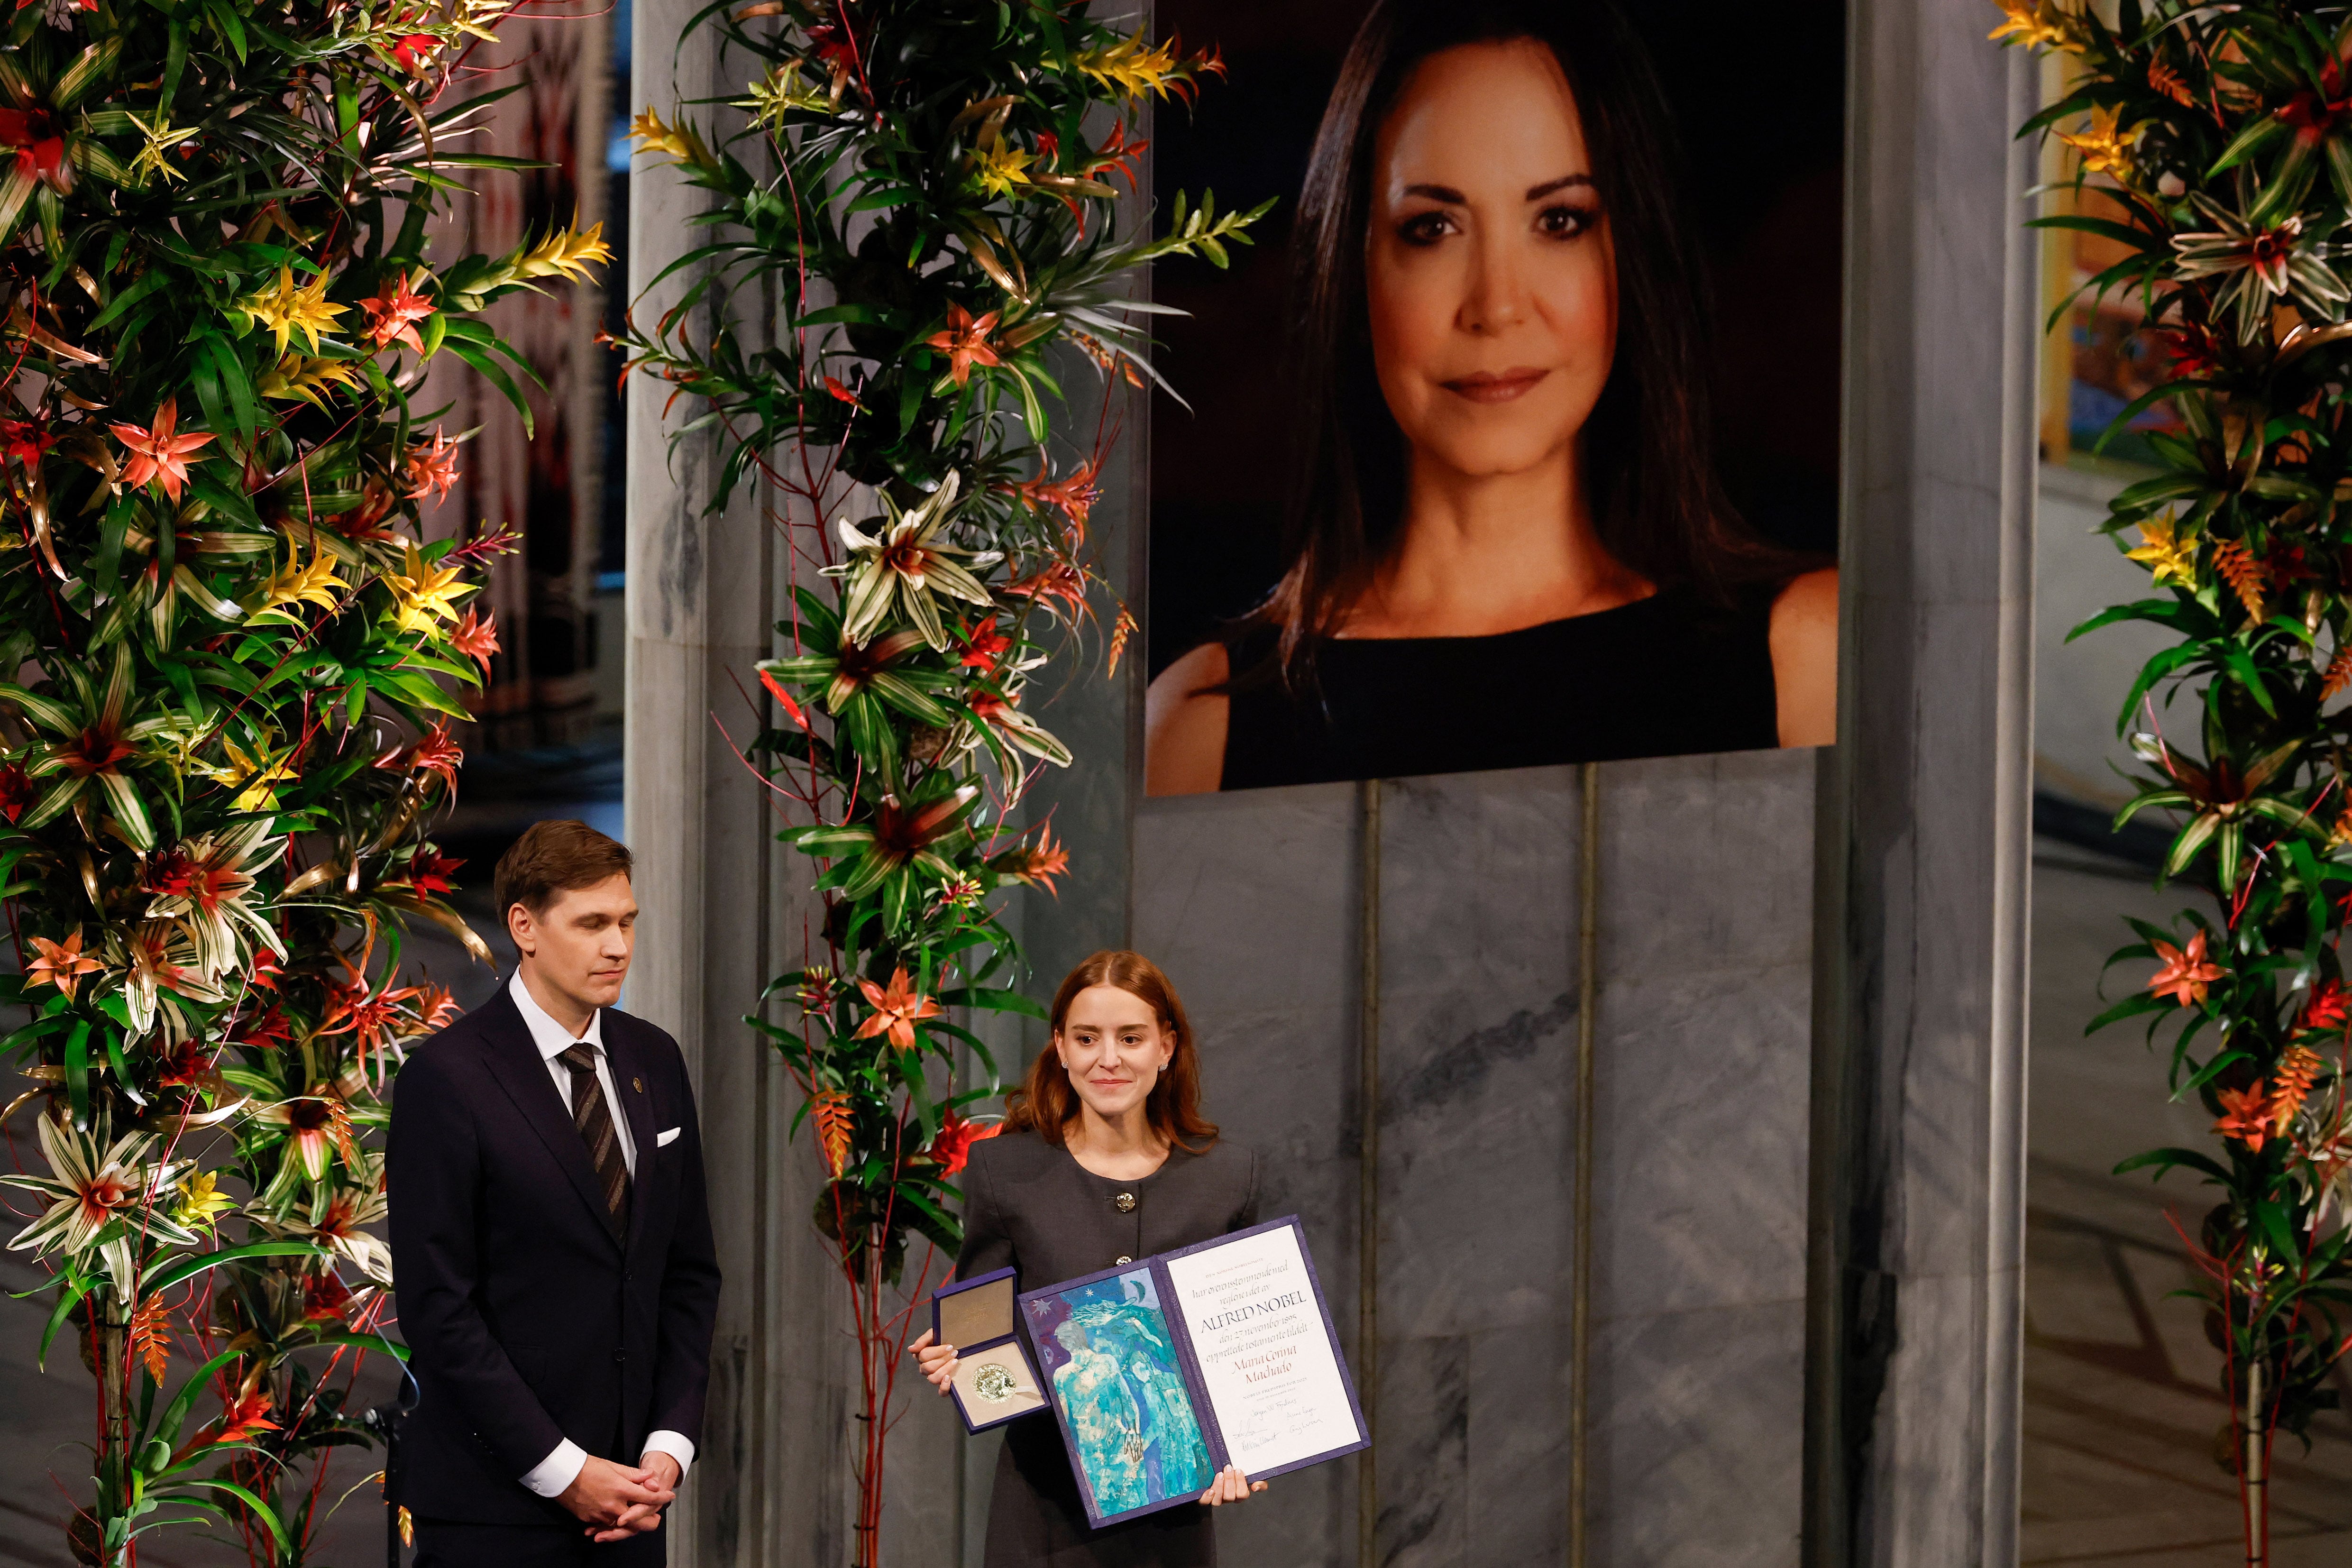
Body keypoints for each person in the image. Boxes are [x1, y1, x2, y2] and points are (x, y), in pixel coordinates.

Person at [1145, 0, 1839, 794]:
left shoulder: (1805, 661)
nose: (1497, 305)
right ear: (1354, 271)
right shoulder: (1201, 733)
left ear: (1628, 255)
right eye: (1432, 228)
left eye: (1559, 220)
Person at [388, 820, 722, 1566]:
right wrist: (565, 1471)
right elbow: (440, 1310)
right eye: (592, 924)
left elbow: (688, 1273)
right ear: (524, 927)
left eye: (627, 922)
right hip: (492, 1515)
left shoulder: (655, 1058)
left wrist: (669, 1446)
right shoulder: (446, 1079)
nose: (618, 946)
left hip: (633, 1504)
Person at [911, 951, 1266, 1566]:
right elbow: (981, 1335)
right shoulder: (1004, 1171)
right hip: (1042, 1505)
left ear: (1166, 1047)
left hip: (1173, 1511)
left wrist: (1251, 1448)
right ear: (1060, 1047)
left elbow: (1249, 1344)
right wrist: (959, 1362)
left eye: (1130, 1038)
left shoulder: (1227, 1178)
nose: (1108, 1059)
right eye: (1086, 1038)